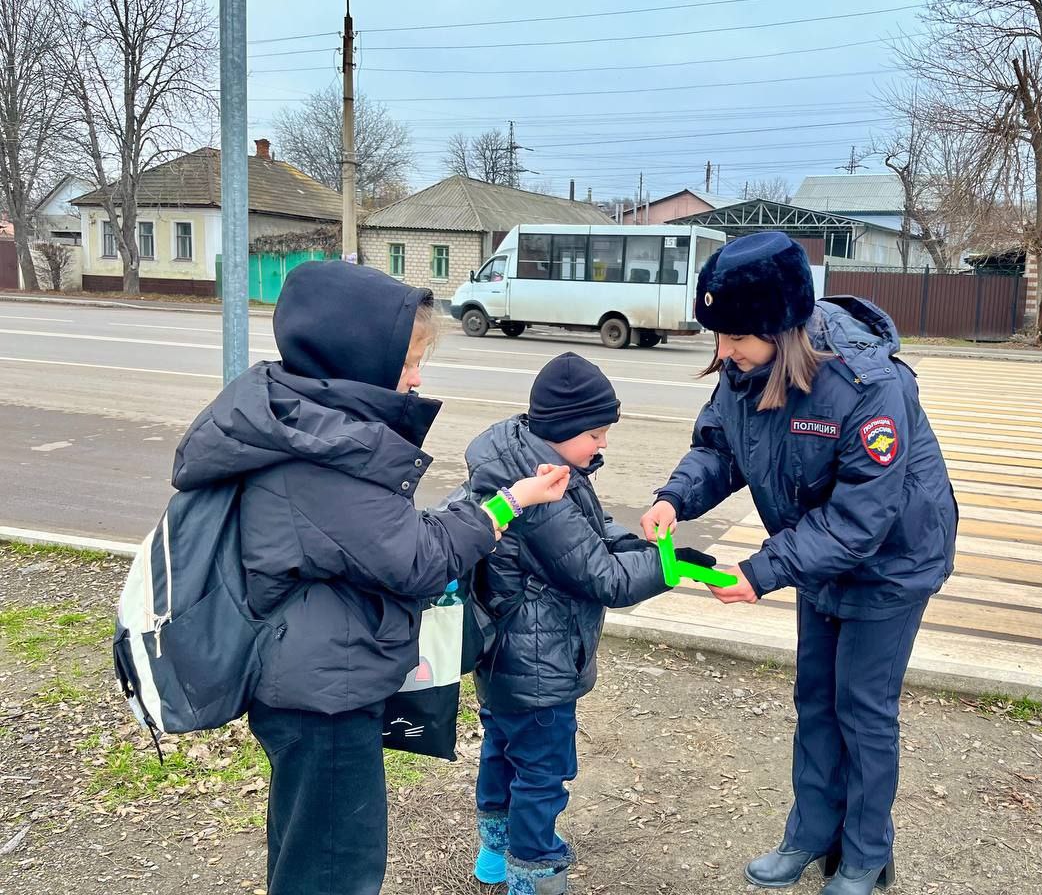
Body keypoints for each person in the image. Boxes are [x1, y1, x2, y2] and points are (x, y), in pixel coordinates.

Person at [170, 261, 570, 895]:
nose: (416, 378)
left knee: (308, 851)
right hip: (323, 696)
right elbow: (419, 559)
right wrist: (508, 504)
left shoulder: (304, 425)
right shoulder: (321, 459)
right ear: (357, 357)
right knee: (336, 869)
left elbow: (383, 540)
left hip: (311, 679)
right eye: (407, 362)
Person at [640, 232, 957, 895]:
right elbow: (719, 447)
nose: (723, 351)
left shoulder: (867, 385)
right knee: (815, 698)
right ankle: (811, 833)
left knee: (863, 710)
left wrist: (761, 571)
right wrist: (675, 497)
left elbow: (861, 519)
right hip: (817, 557)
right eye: (718, 336)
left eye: (736, 338)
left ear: (781, 331)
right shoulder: (742, 368)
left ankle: (865, 855)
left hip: (890, 564)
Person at [464, 351, 686, 895]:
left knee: (501, 750)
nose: (602, 444)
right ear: (562, 428)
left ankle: (493, 854)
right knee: (542, 772)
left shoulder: (528, 460)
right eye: (595, 433)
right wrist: (671, 566)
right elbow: (604, 578)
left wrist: (641, 546)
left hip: (503, 656)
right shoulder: (540, 496)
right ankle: (533, 871)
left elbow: (592, 530)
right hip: (540, 663)